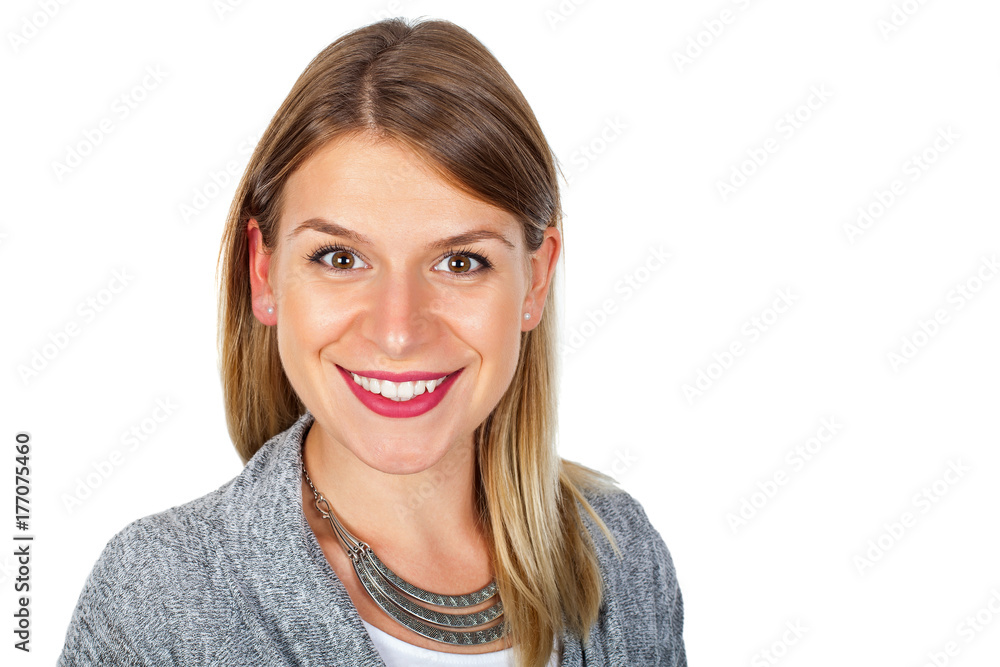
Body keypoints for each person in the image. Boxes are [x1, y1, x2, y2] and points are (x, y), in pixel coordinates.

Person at [58, 17, 686, 667]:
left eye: (461, 262)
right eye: (339, 257)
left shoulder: (618, 555)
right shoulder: (158, 599)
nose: (397, 329)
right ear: (263, 270)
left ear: (536, 279)